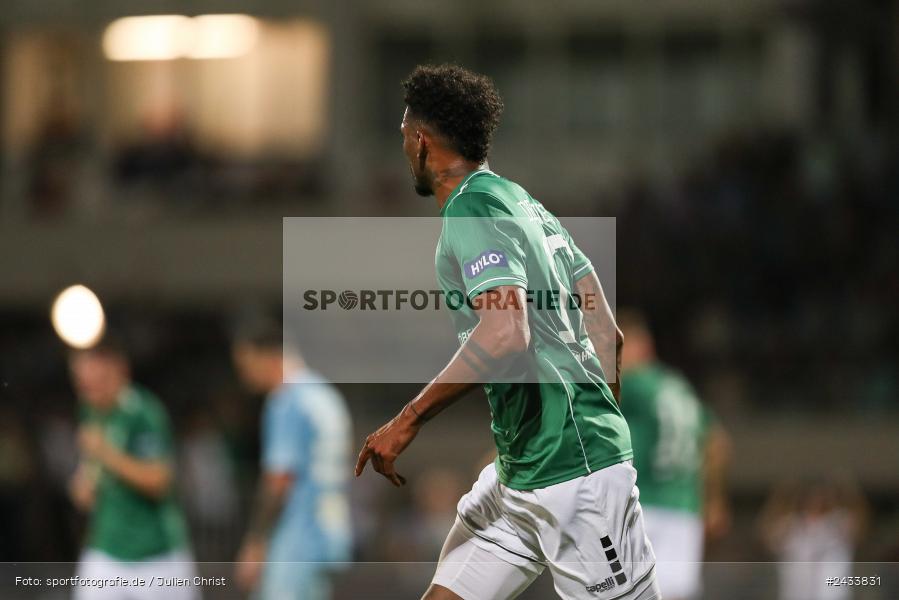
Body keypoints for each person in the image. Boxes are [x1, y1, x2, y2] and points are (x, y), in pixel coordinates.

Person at [356, 64, 659, 600]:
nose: (403, 147)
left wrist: (408, 419)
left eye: (404, 135)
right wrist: (593, 427)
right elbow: (606, 332)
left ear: (421, 142)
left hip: (572, 478)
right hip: (521, 475)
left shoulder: (470, 209)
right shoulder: (527, 205)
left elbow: (504, 334)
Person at [68, 336, 197, 600]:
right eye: (83, 385)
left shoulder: (144, 413)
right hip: (107, 547)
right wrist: (82, 485)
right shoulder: (91, 411)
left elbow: (159, 481)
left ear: (119, 370)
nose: (89, 392)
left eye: (97, 382)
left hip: (155, 552)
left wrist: (106, 454)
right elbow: (91, 472)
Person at [232, 319, 352, 600]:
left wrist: (255, 542)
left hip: (297, 535)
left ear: (268, 357)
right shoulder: (324, 394)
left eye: (246, 365)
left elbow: (279, 479)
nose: (244, 376)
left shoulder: (286, 400)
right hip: (330, 528)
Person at [618, 310, 731, 600]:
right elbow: (717, 442)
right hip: (684, 508)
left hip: (639, 503)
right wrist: (714, 499)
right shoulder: (678, 386)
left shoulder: (630, 382)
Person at [759, 477, 867, 600]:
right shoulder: (790, 525)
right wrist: (781, 495)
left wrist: (849, 491)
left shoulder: (838, 522)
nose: (815, 502)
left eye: (821, 497)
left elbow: (862, 527)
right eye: (811, 497)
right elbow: (766, 535)